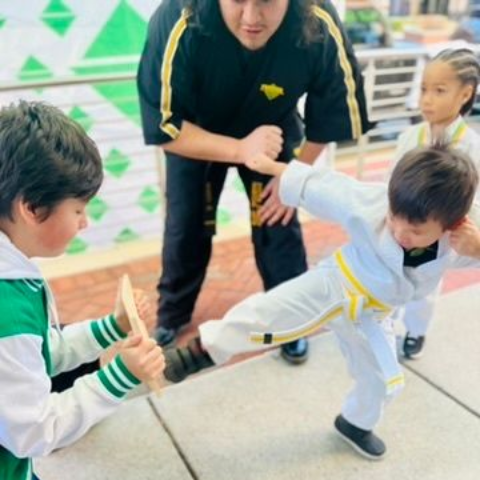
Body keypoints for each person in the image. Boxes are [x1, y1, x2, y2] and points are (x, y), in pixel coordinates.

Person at [162, 143, 480, 460]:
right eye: (395, 217)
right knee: (273, 308)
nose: (399, 231)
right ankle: (200, 351)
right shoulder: (372, 201)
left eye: (415, 230)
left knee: (381, 380)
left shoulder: (460, 243)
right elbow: (324, 186)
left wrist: (477, 249)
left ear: (451, 225)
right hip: (338, 282)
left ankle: (354, 423)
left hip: (373, 315)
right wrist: (274, 169)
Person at [136, 0, 370, 364]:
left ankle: (290, 322)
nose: (251, 18)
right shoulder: (177, 17)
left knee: (278, 226)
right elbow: (164, 126)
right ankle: (173, 315)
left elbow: (334, 109)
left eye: (266, 2)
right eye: (237, 1)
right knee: (186, 226)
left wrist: (294, 177)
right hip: (196, 135)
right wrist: (241, 148)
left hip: (272, 129)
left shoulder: (317, 18)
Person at [0, 101, 165, 480]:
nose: (85, 223)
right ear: (33, 208)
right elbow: (34, 431)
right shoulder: (7, 311)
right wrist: (121, 374)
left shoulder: (13, 271)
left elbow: (36, 356)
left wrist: (113, 326)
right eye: (78, 210)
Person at [390, 48, 480, 359]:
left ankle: (416, 331)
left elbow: (474, 205)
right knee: (390, 279)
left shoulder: (472, 147)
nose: (427, 99)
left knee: (423, 291)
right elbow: (389, 184)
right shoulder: (409, 137)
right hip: (400, 229)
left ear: (465, 93)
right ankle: (385, 328)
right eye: (424, 89)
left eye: (439, 91)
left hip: (438, 238)